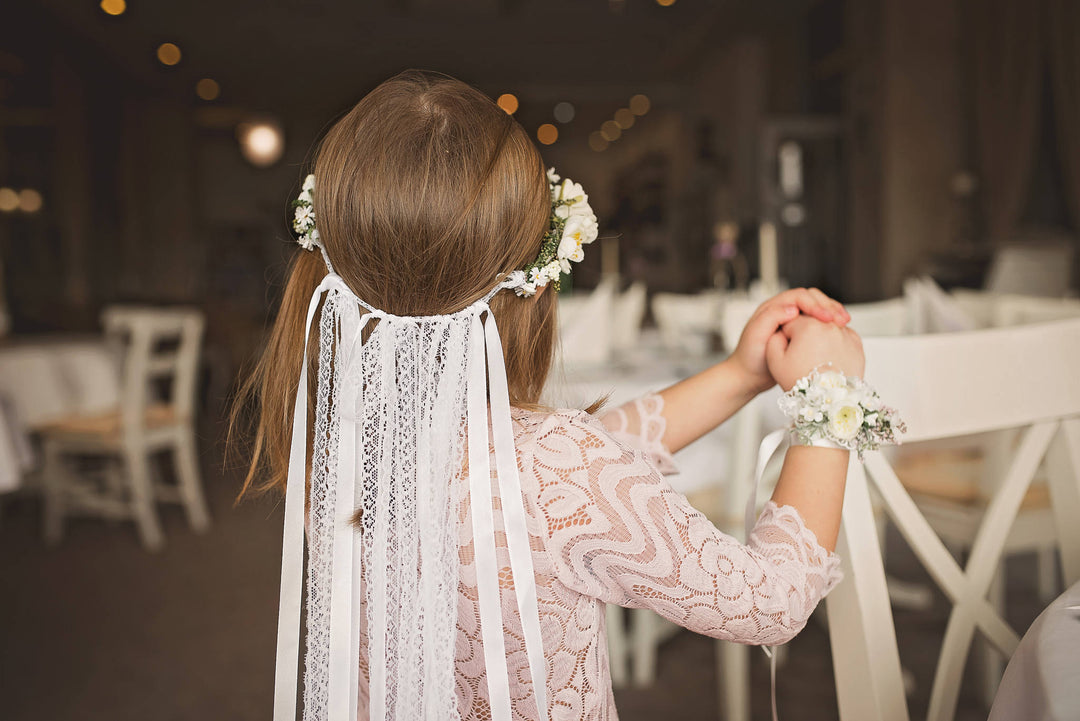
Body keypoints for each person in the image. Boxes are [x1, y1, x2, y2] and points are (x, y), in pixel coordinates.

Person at [235, 70, 878, 721]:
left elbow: (583, 464)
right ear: (538, 288)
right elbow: (769, 601)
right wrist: (831, 399)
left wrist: (741, 373)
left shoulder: (348, 445)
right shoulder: (557, 467)